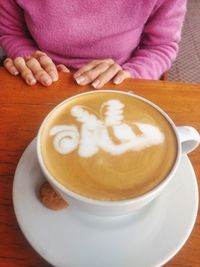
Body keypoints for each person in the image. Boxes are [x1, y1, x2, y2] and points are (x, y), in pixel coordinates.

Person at [0, 0, 187, 88]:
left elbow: (161, 45)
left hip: (120, 78)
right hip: (42, 83)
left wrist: (128, 75)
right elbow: (12, 32)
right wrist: (31, 61)